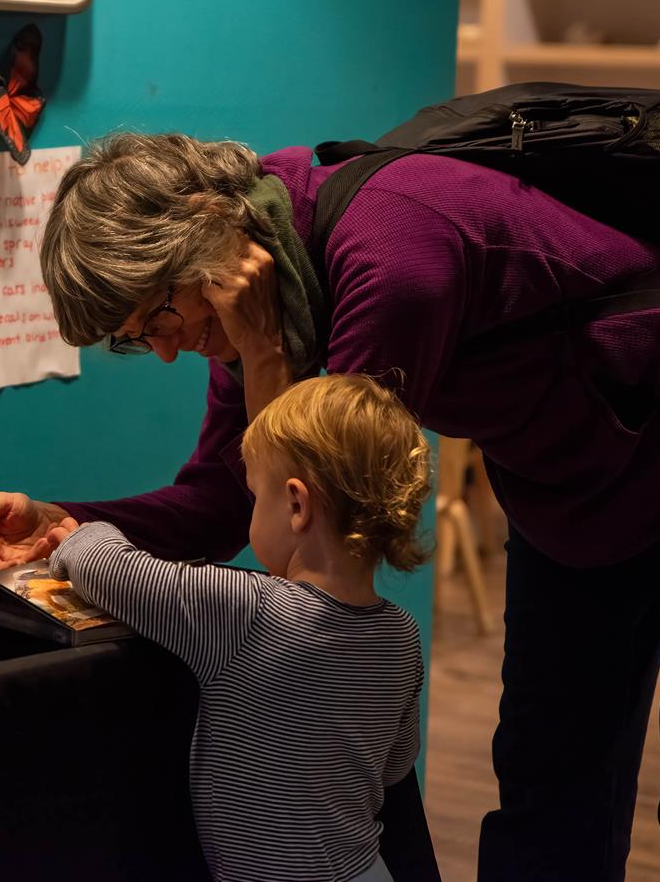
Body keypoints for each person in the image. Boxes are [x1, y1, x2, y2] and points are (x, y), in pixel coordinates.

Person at [0, 132, 660, 882]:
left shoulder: (391, 257)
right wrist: (62, 522)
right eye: (133, 338)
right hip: (575, 476)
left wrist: (264, 354)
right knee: (547, 780)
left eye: (156, 316)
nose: (161, 352)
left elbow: (308, 524)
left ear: (205, 239)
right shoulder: (269, 295)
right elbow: (225, 502)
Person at [51, 374, 429, 882]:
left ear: (297, 505)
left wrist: (78, 535)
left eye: (255, 497)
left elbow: (109, 568)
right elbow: (395, 765)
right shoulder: (402, 636)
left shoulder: (248, 611)